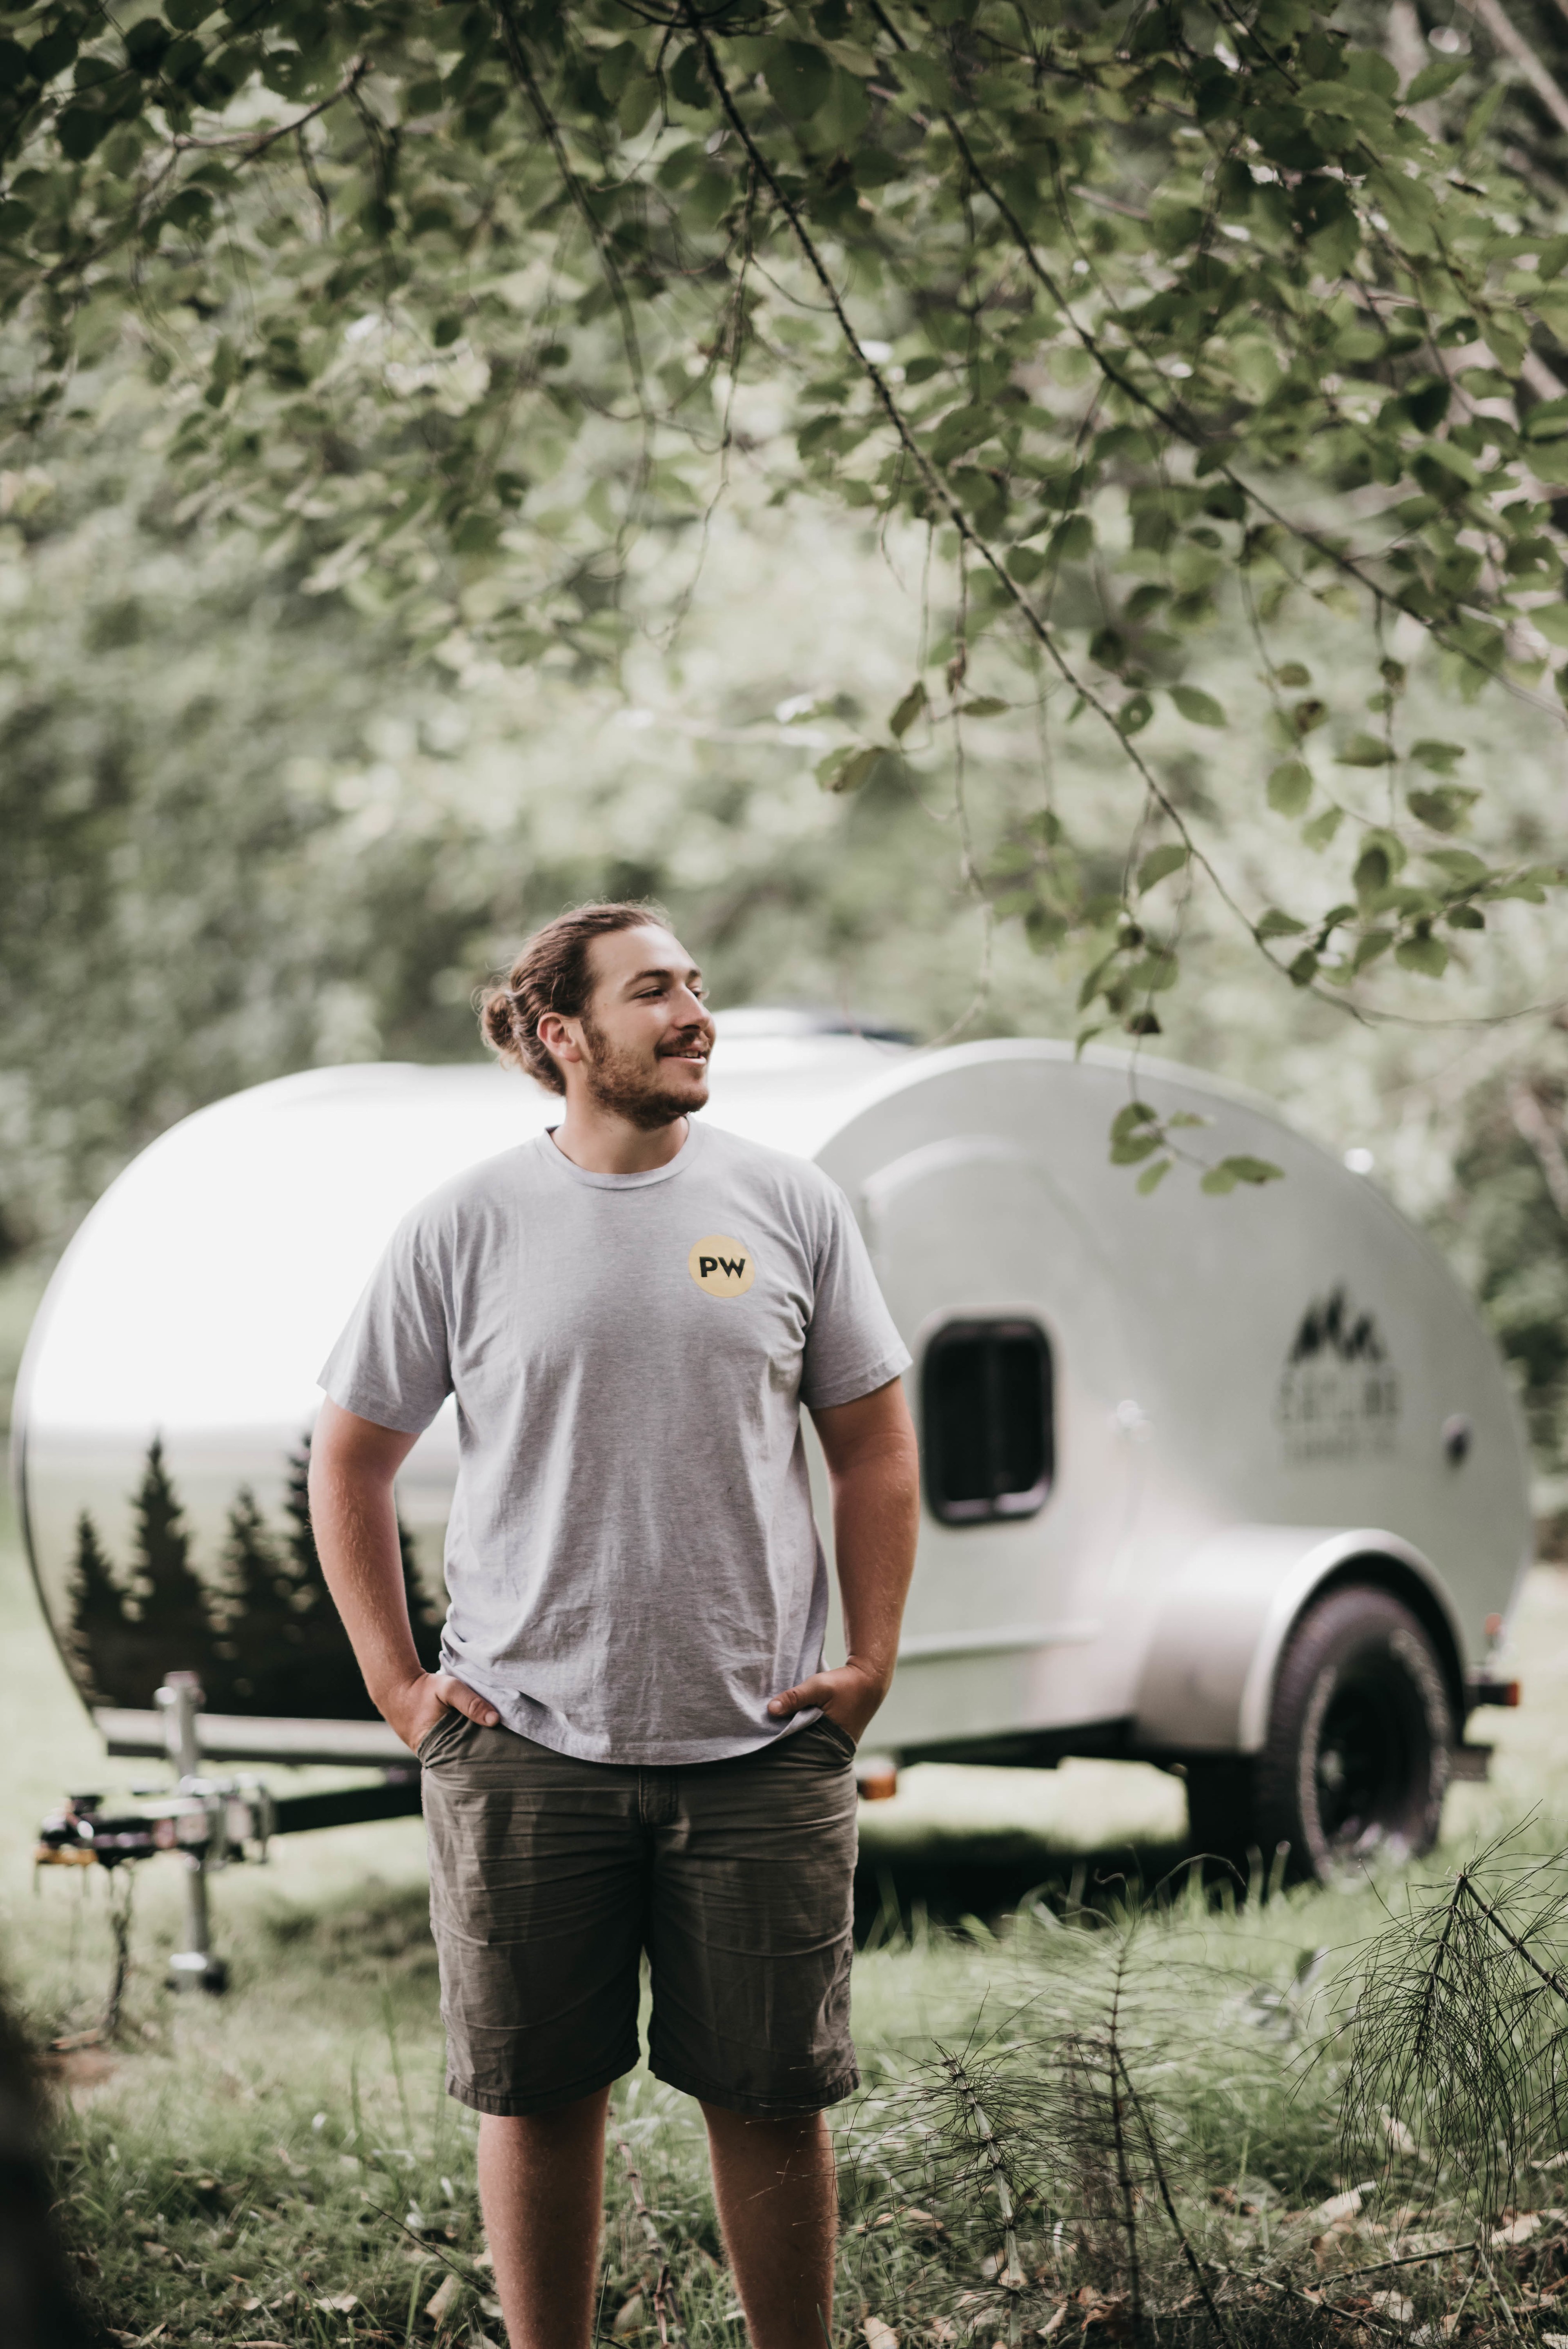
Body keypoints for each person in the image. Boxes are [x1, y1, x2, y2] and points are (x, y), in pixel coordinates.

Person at [309, 901, 920, 2349]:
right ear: (564, 1035)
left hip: (762, 1744)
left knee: (771, 2100)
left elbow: (875, 1449)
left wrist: (870, 1661)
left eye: (698, 984)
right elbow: (349, 1457)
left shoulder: (786, 1204)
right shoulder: (466, 1224)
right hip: (526, 1747)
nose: (696, 1011)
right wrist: (402, 1689)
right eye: (656, 992)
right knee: (537, 2098)